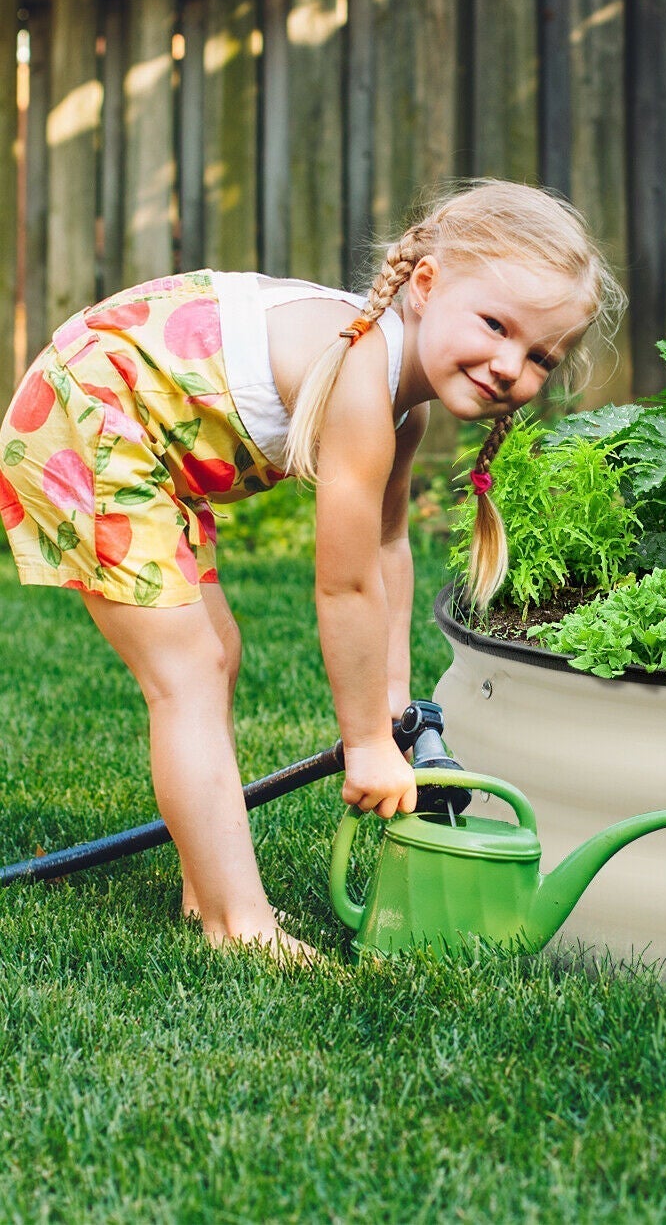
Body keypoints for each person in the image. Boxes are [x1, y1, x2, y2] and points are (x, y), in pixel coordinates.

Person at [0, 179, 622, 961]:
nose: (509, 365)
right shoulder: (363, 375)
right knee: (188, 670)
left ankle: (209, 883)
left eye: (539, 356)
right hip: (90, 415)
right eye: (496, 326)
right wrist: (363, 741)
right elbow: (345, 583)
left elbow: (390, 551)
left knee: (218, 652)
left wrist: (392, 705)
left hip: (138, 435)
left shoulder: (405, 400)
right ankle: (238, 926)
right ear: (427, 286)